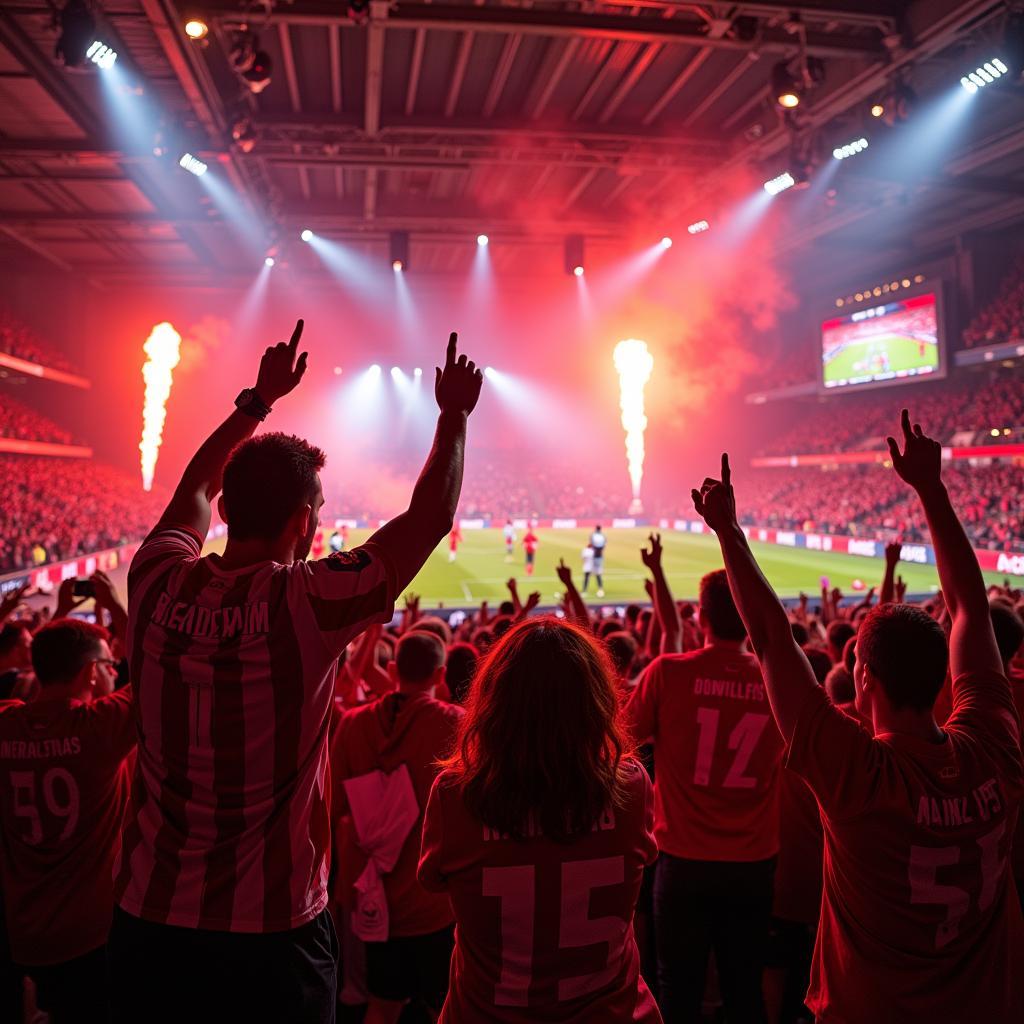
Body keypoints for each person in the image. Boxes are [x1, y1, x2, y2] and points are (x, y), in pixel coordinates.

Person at [107, 323, 483, 1024]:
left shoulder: (155, 577)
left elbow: (192, 480)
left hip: (148, 920)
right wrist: (454, 417)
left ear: (226, 510)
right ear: (305, 523)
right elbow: (429, 517)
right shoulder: (307, 601)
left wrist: (256, 402)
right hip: (271, 933)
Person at [690, 410, 1023, 1022]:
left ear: (863, 678)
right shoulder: (994, 749)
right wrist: (932, 491)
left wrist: (728, 532)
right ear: (946, 679)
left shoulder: (857, 777)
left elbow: (769, 639)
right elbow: (973, 610)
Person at [418, 618, 661, 1022]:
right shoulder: (631, 786)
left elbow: (432, 881)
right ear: (596, 699)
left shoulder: (454, 794)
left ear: (494, 699)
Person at [625, 569, 783, 1023]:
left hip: (681, 857)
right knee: (744, 987)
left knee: (677, 989)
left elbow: (622, 743)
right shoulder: (778, 681)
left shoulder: (668, 673)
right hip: (753, 861)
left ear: (701, 615)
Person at [0, 618, 133, 1023]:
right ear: (91, 673)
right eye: (110, 665)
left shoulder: (5, 723)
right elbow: (162, 667)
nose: (114, 673)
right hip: (93, 936)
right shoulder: (101, 728)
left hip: (21, 936)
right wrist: (119, 613)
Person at [332, 631, 463, 1024]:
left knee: (383, 1003)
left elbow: (331, 807)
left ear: (392, 669)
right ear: (440, 675)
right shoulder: (456, 726)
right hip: (435, 902)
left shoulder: (353, 726)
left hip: (375, 900)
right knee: (446, 1007)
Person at [590, 525, 607, 597]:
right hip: (599, 556)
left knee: (597, 573)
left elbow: (592, 543)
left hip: (596, 557)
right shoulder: (602, 536)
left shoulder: (594, 535)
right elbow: (604, 545)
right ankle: (600, 587)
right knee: (598, 573)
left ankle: (600, 587)